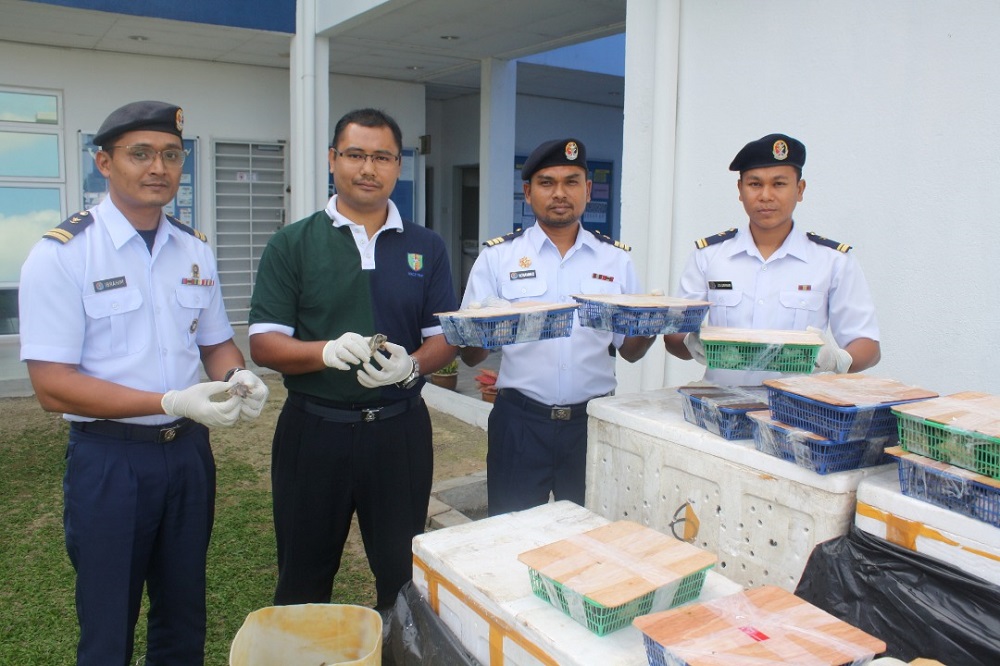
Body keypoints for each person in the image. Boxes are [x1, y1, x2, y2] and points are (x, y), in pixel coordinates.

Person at [18, 100, 269, 666]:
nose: (159, 167)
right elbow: (52, 386)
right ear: (104, 163)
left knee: (183, 615)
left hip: (187, 454)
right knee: (108, 623)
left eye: (172, 155)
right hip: (110, 460)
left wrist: (239, 378)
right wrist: (168, 399)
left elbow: (213, 343)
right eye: (141, 154)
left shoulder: (193, 248)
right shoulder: (63, 255)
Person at [247, 108, 458, 611]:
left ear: (398, 167)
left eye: (382, 157)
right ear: (332, 160)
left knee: (403, 579)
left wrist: (413, 366)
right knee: (303, 575)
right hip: (314, 432)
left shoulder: (425, 246)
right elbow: (264, 343)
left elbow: (445, 337)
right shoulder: (293, 243)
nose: (369, 168)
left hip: (398, 431)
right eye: (356, 155)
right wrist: (322, 351)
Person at [460, 138, 655, 516]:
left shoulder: (616, 261)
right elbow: (472, 354)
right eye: (547, 183)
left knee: (590, 539)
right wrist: (479, 331)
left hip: (593, 424)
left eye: (571, 181)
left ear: (588, 189)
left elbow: (630, 351)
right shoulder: (498, 258)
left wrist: (651, 325)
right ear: (528, 192)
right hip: (520, 423)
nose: (560, 193)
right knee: (511, 535)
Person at [663, 133, 881, 386]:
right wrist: (690, 343)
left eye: (779, 184)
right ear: (740, 190)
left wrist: (838, 360)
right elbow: (674, 339)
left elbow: (868, 346)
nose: (766, 196)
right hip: (720, 406)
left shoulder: (832, 261)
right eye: (755, 184)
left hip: (798, 410)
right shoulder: (709, 256)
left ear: (799, 190)